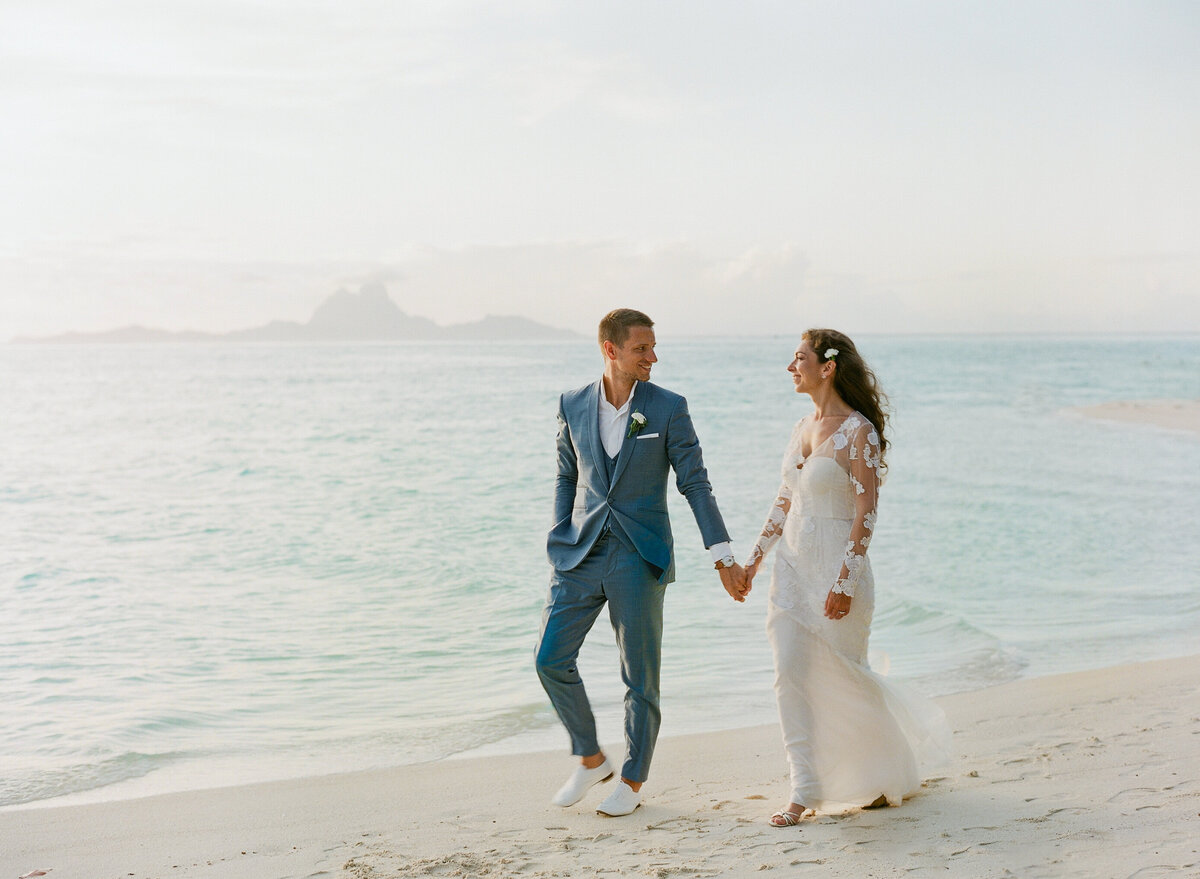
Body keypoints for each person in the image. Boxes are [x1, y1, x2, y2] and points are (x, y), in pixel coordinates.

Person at [536, 308, 748, 817]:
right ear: (611, 350)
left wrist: (723, 558)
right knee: (550, 659)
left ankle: (631, 779)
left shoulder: (669, 407)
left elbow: (695, 483)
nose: (653, 357)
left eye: (653, 347)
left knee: (640, 677)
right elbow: (567, 474)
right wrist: (560, 531)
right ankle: (590, 757)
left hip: (640, 556)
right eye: (641, 349)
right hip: (580, 554)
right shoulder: (572, 403)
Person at [744, 329, 949, 827]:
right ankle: (804, 789)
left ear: (827, 366)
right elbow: (783, 500)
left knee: (846, 678)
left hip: (838, 573)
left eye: (799, 358)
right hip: (791, 572)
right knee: (788, 674)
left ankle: (876, 775)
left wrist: (846, 580)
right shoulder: (801, 426)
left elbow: (866, 509)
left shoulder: (858, 432)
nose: (791, 367)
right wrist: (753, 560)